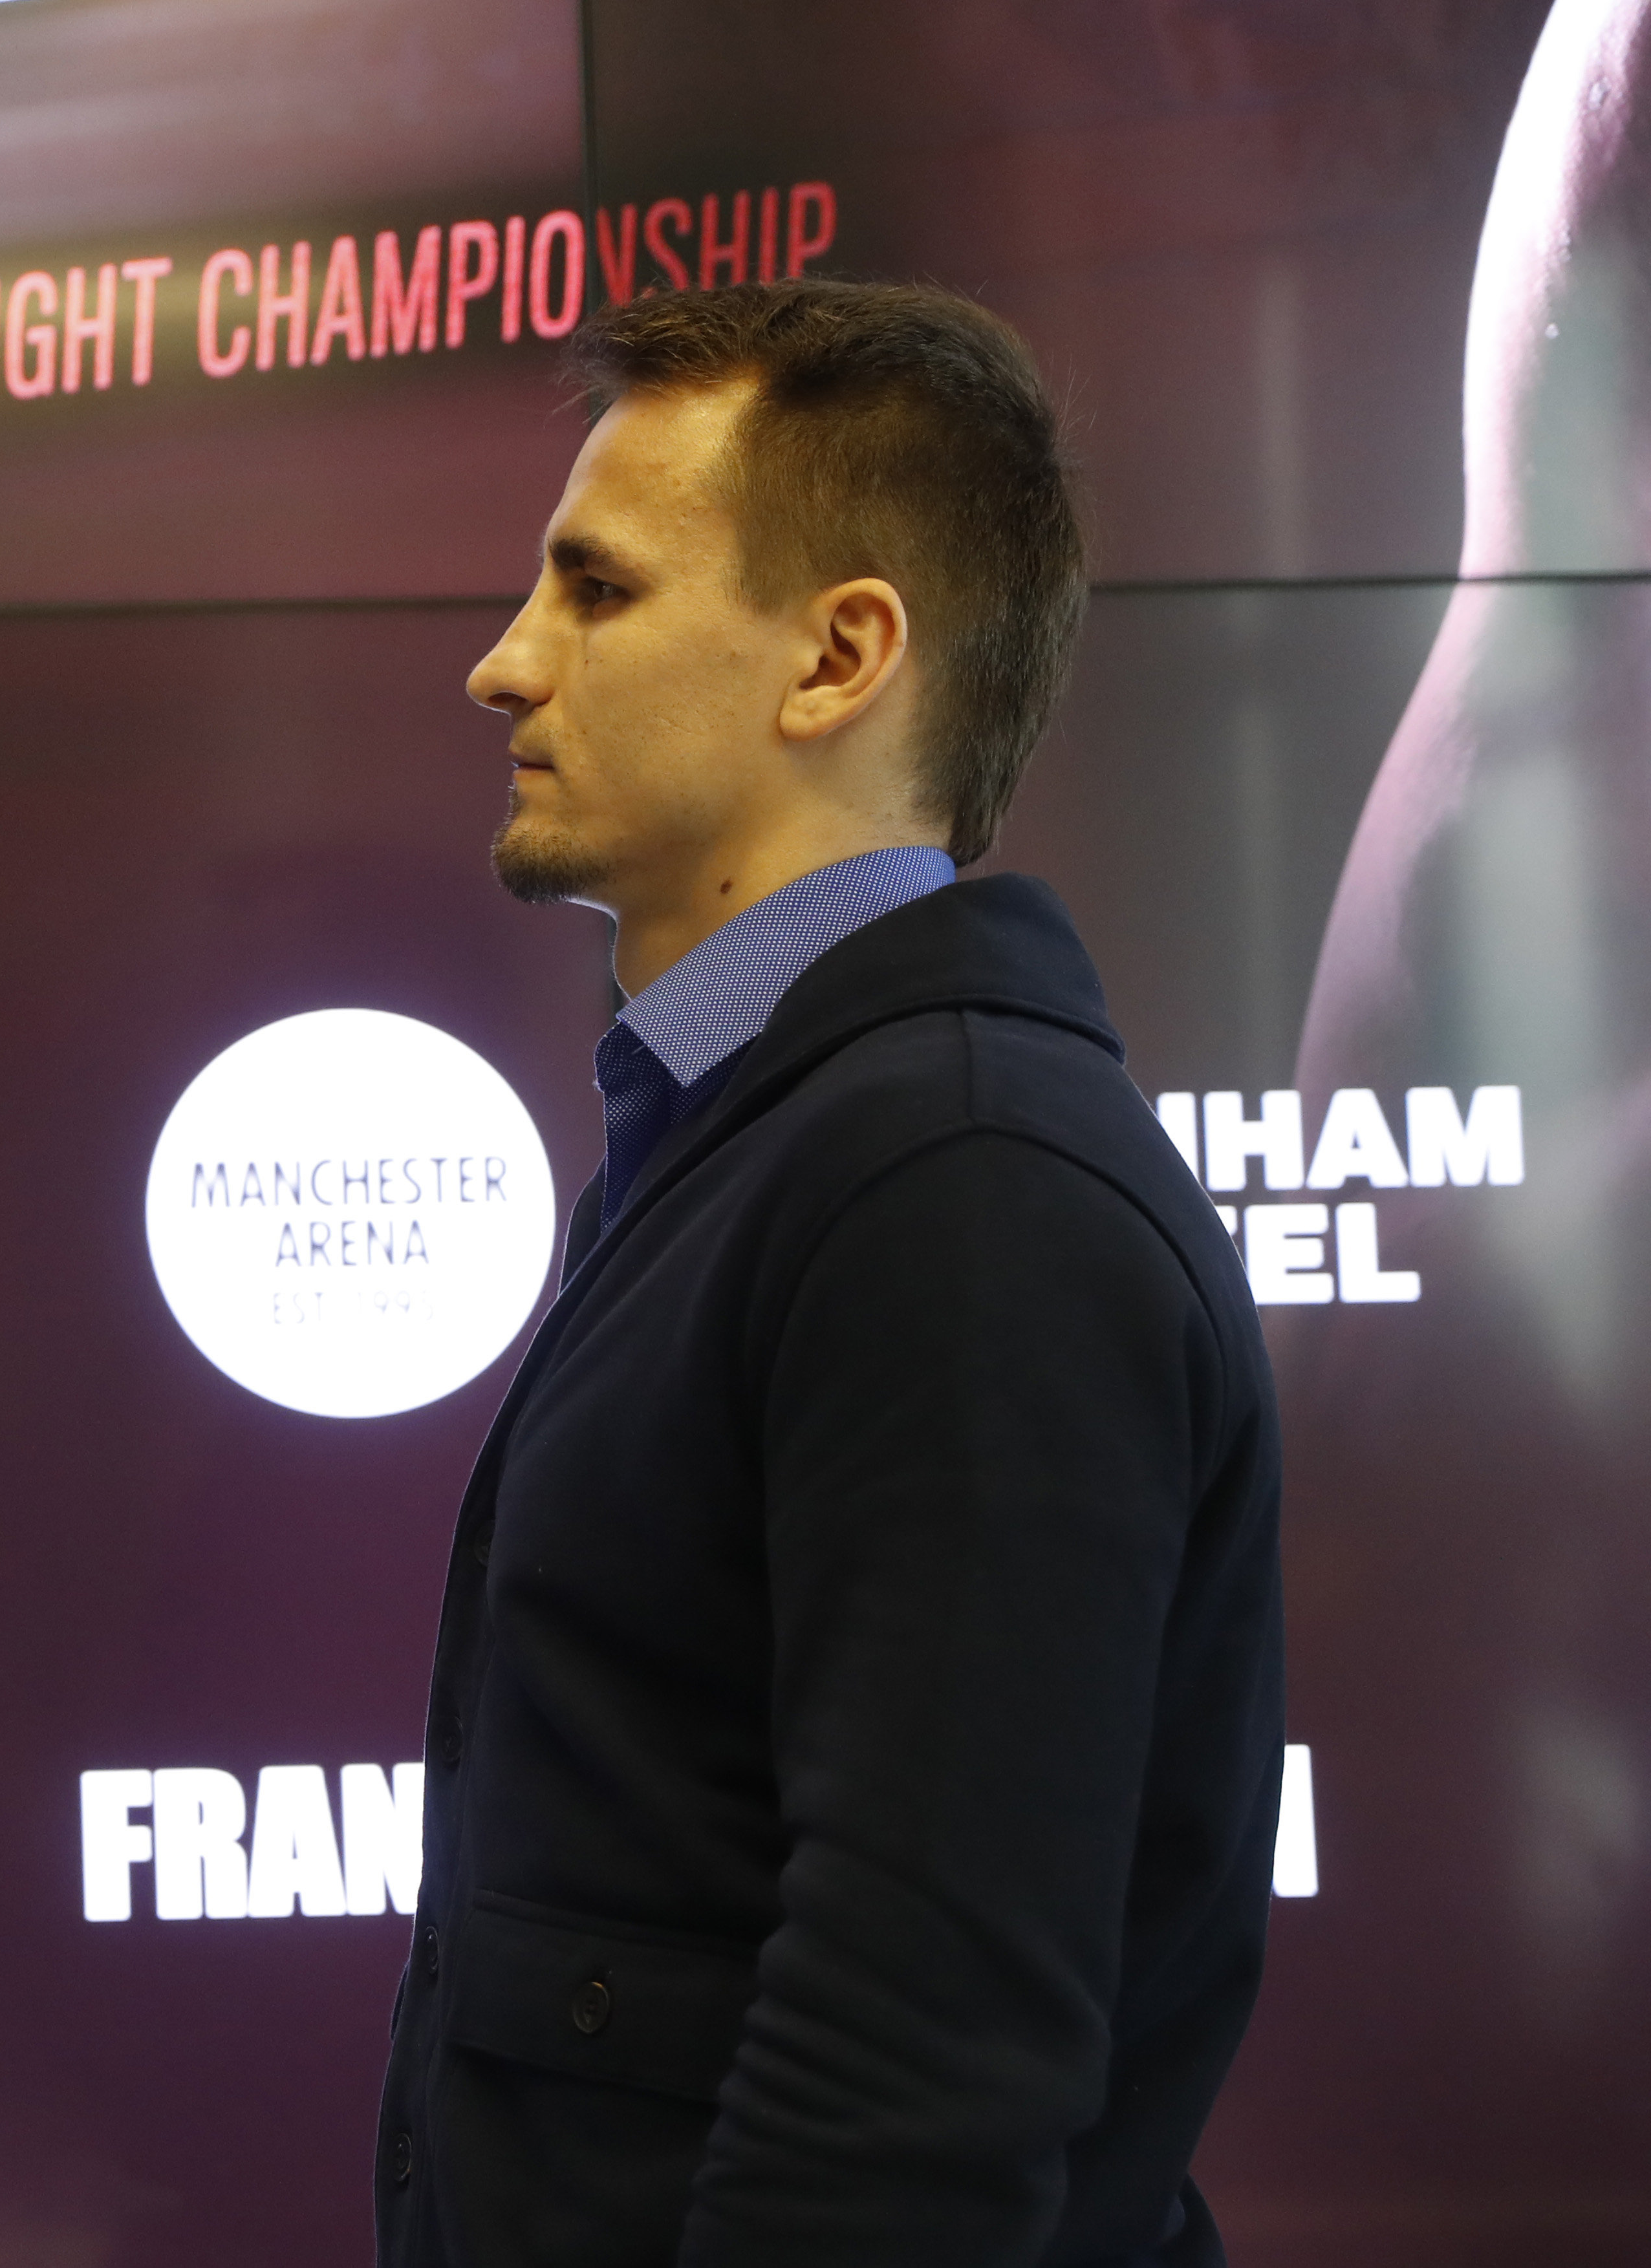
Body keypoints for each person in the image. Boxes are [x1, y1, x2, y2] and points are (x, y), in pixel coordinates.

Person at [373, 281, 1284, 2268]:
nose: (502, 667)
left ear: (839, 656)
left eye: (596, 591)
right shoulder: (807, 1141)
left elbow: (920, 2068)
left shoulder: (955, 1188)